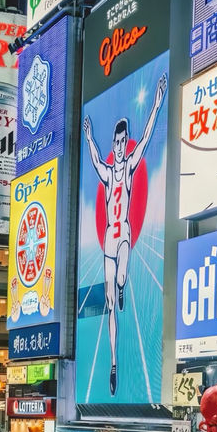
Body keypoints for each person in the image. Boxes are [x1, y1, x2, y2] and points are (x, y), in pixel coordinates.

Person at [82, 72, 167, 395]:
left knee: (121, 276)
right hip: (107, 240)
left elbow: (145, 139)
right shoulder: (106, 171)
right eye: (115, 143)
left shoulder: (129, 166)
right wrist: (90, 138)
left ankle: (121, 286)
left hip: (124, 235)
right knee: (108, 306)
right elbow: (93, 159)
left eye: (122, 141)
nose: (118, 147)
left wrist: (158, 101)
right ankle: (115, 361)